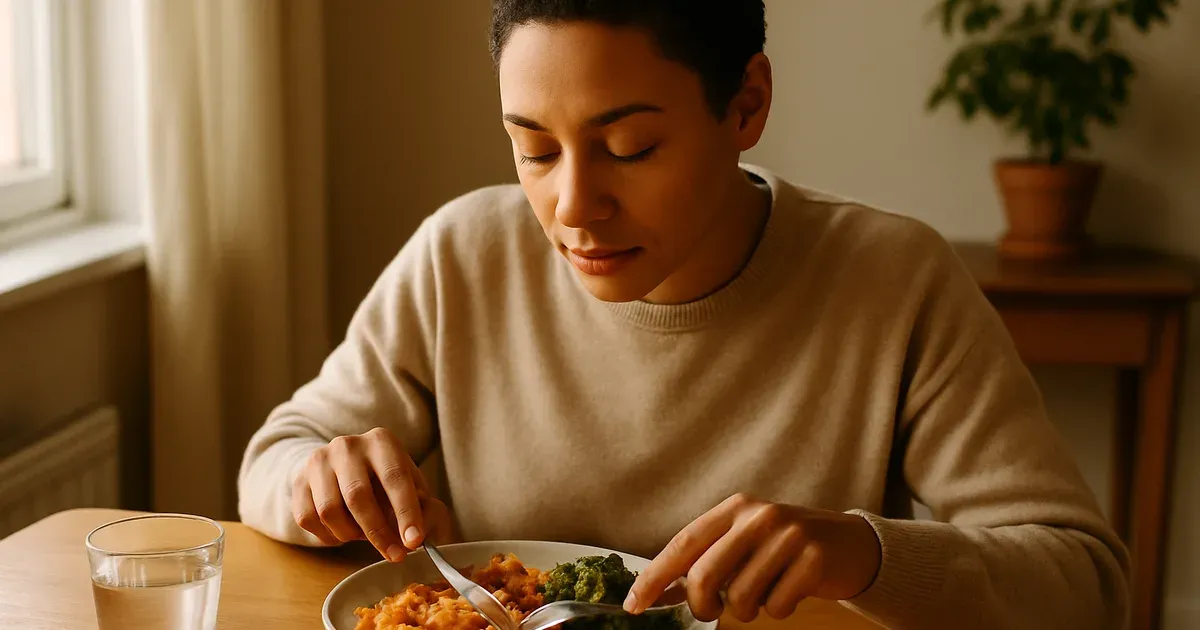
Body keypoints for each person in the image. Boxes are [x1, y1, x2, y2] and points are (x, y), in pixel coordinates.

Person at [237, 1, 1129, 628]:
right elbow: (278, 454)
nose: (574, 207)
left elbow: (1084, 585)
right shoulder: (462, 253)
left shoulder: (892, 280)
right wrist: (315, 476)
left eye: (631, 148)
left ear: (746, 103)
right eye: (534, 149)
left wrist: (865, 553)